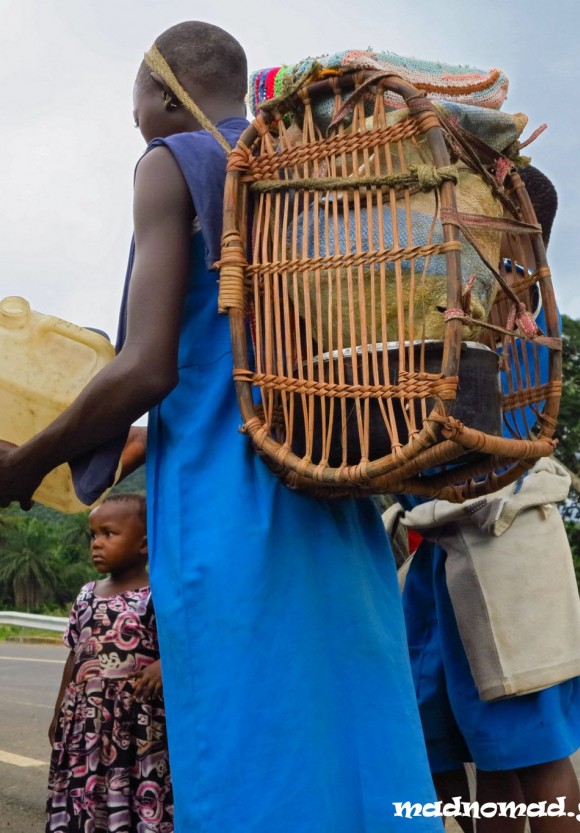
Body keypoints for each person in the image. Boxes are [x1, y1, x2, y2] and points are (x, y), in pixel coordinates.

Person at [0, 22, 442, 832]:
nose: (134, 119)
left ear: (162, 93)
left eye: (135, 102)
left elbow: (147, 368)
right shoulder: (300, 171)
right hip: (333, 498)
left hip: (230, 511)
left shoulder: (175, 162)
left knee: (246, 745)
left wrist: (25, 463)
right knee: (355, 731)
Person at [399, 166, 580, 832]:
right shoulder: (466, 290)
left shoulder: (519, 306)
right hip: (440, 540)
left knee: (532, 740)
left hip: (506, 538)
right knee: (458, 739)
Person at [47, 493, 173, 833]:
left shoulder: (159, 593)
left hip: (139, 726)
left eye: (109, 534)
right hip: (85, 724)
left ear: (144, 545)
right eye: (93, 535)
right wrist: (60, 711)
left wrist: (165, 665)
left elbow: (189, 646)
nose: (96, 544)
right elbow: (75, 652)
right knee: (85, 794)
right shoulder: (87, 594)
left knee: (138, 794)